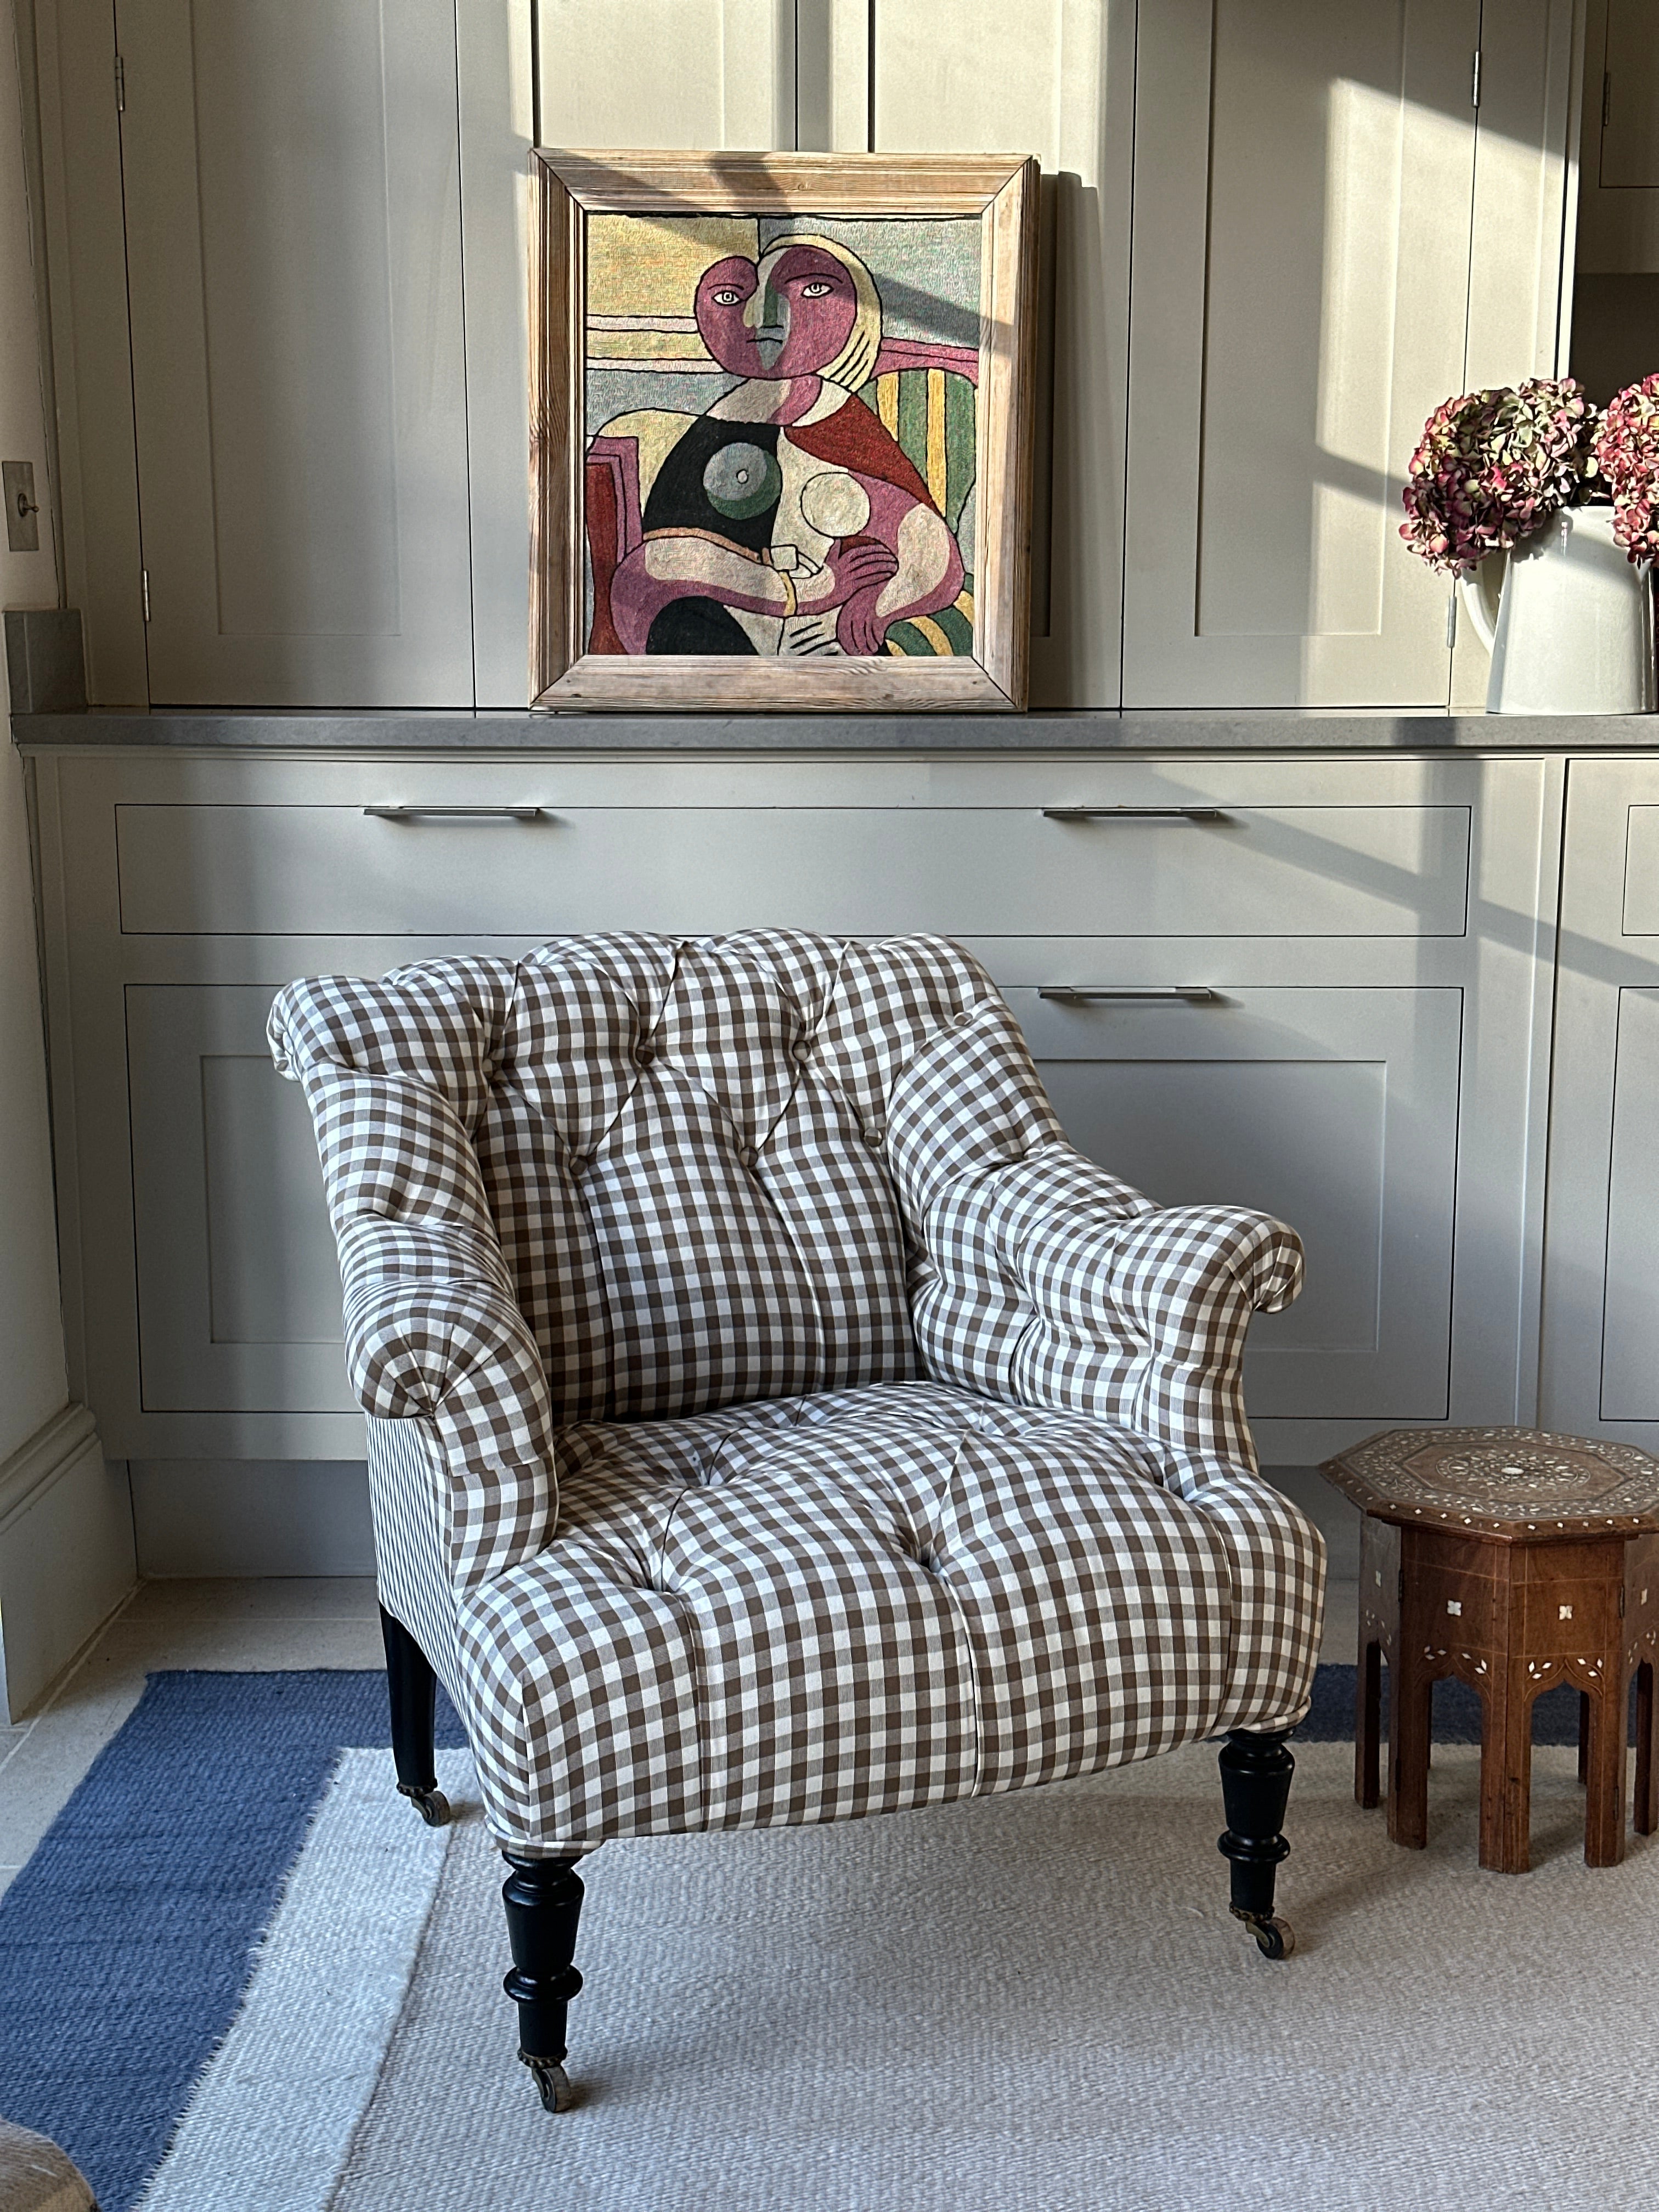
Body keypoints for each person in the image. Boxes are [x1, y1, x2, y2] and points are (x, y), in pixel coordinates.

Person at [599, 235, 966, 657]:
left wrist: (881, 606)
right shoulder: (722, 423)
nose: (767, 320)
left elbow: (931, 549)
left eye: (811, 290)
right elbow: (658, 565)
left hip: (826, 642)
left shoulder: (841, 420)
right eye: (731, 297)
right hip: (720, 628)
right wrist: (805, 591)